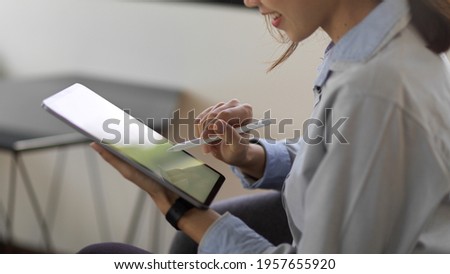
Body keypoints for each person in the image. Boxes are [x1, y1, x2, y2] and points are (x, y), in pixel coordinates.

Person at [81, 0, 450, 253]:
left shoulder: (375, 90)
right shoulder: (374, 51)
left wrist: (180, 208)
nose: (248, 0)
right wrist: (250, 155)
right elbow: (341, 158)